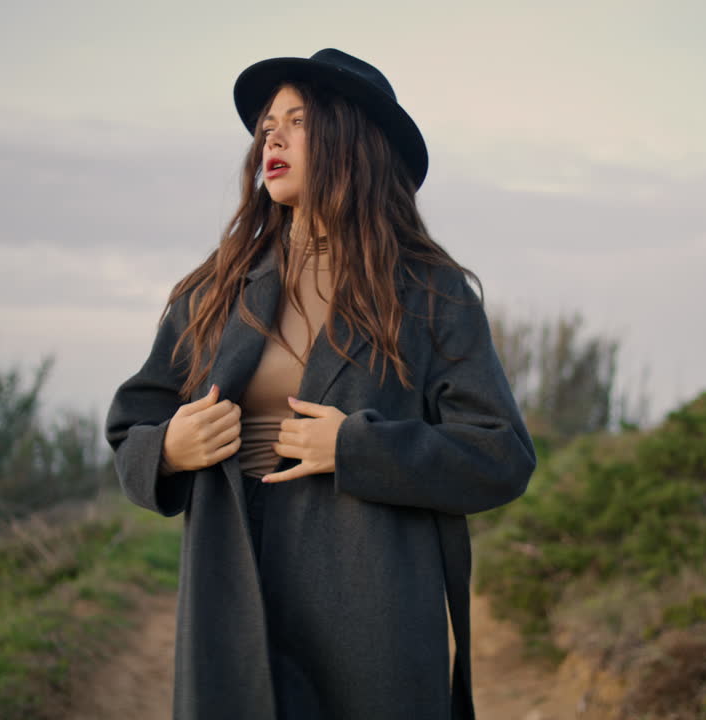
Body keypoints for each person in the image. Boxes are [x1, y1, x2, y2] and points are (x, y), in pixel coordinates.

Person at [104, 48, 537, 720]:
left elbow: (500, 456)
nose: (270, 136)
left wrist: (359, 450)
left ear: (354, 141)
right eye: (265, 126)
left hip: (373, 602)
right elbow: (132, 430)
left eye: (297, 121)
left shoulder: (431, 293)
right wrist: (168, 449)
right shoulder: (216, 289)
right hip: (233, 589)